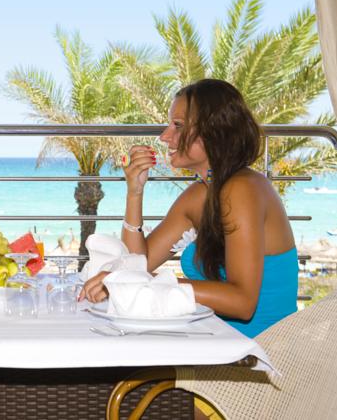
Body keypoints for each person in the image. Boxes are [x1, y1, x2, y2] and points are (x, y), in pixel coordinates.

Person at [80, 78, 298, 339]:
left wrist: (148, 284)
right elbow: (139, 263)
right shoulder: (200, 194)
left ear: (214, 131)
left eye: (178, 125)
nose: (164, 136)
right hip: (211, 337)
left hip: (256, 348)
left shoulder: (243, 189)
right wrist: (135, 192)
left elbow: (242, 302)